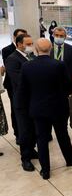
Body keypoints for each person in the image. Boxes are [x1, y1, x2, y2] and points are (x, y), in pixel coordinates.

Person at [16, 38, 72, 180]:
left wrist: (22, 107)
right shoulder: (58, 65)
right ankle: (70, 159)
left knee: (41, 139)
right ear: (50, 50)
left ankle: (45, 169)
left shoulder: (27, 67)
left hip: (37, 108)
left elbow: (23, 90)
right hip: (58, 108)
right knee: (62, 135)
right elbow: (67, 85)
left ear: (36, 50)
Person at [4, 34, 37, 172]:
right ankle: (25, 158)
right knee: (25, 130)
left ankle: (32, 150)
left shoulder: (31, 56)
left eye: (31, 43)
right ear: (18, 44)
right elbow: (19, 81)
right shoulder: (12, 59)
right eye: (27, 44)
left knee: (34, 128)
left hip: (34, 99)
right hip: (22, 101)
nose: (30, 46)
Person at [1, 28, 27, 143]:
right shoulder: (7, 50)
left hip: (25, 84)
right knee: (15, 109)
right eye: (20, 36)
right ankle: (18, 133)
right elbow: (10, 68)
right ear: (15, 38)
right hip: (12, 83)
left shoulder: (27, 50)